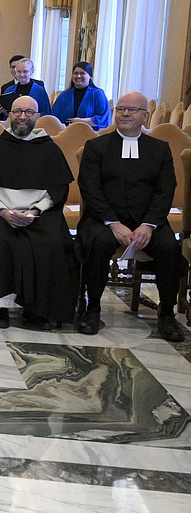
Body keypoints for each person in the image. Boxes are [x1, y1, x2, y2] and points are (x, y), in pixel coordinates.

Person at [76, 91, 187, 341]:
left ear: (145, 116)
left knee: (169, 246)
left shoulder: (159, 149)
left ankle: (166, 314)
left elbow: (165, 190)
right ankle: (92, 308)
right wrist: (113, 223)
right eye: (121, 109)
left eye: (133, 110)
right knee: (99, 242)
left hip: (148, 221)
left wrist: (148, 225)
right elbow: (90, 189)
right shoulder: (96, 146)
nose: (125, 113)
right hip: (104, 220)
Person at [0, 96, 77, 329]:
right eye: (17, 112)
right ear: (9, 115)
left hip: (39, 214)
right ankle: (0, 307)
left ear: (38, 117)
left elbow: (59, 188)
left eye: (29, 113)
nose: (22, 117)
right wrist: (4, 212)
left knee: (51, 242)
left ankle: (38, 310)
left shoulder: (50, 150)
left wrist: (36, 210)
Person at [49, 61, 111, 129]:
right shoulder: (64, 95)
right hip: (66, 135)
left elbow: (104, 118)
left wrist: (82, 121)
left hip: (92, 135)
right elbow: (54, 118)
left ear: (90, 76)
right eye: (76, 73)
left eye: (82, 73)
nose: (78, 76)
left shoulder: (98, 94)